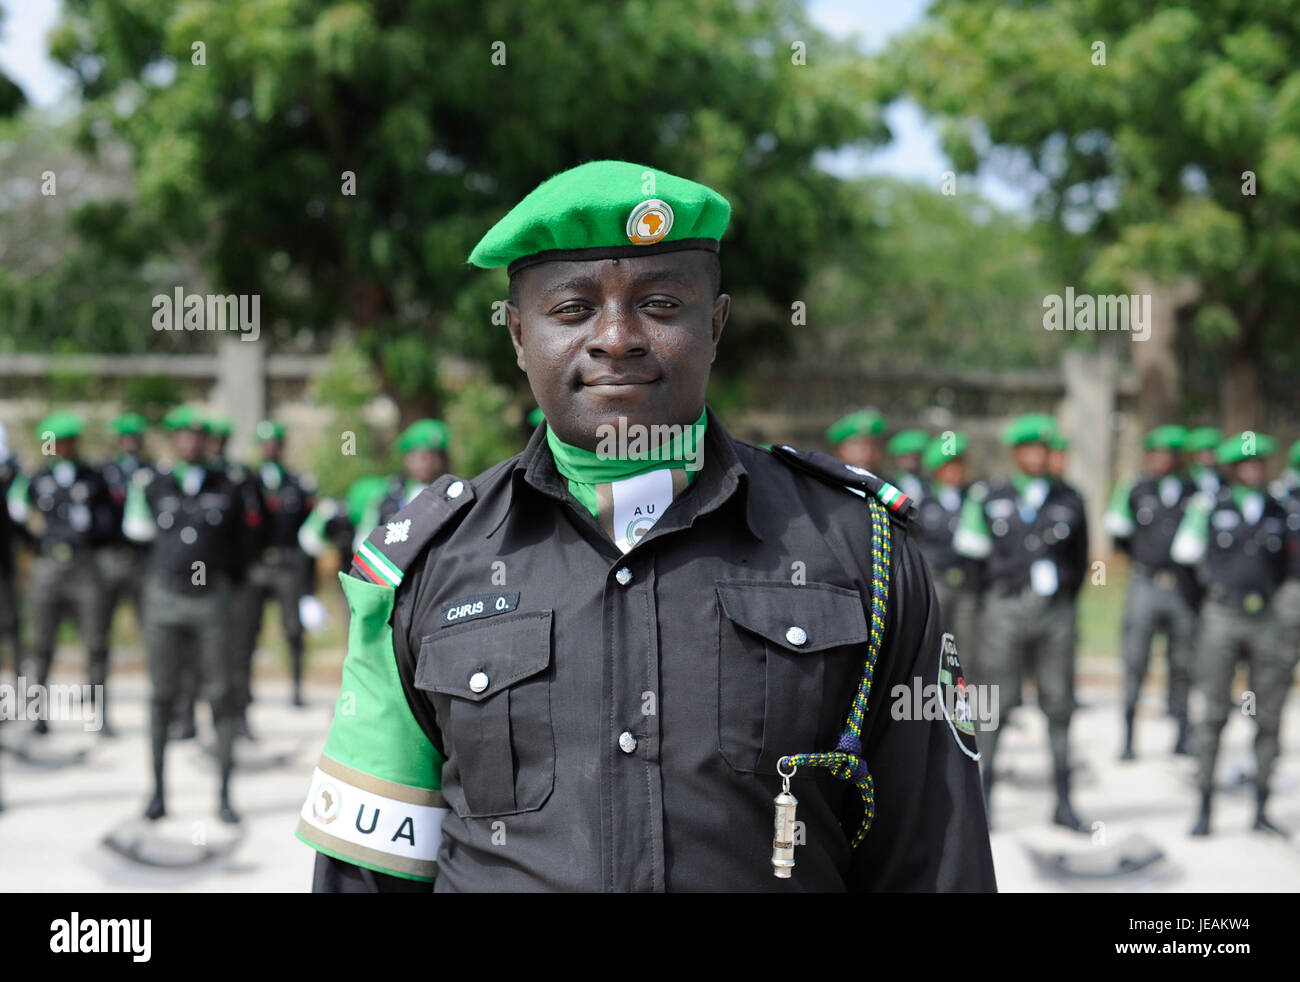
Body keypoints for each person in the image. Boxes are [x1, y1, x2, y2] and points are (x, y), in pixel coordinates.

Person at [296, 159, 994, 892]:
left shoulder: (860, 546)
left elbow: (935, 860)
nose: (616, 338)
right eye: (572, 310)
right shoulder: (428, 564)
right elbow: (367, 873)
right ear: (518, 335)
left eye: (660, 304)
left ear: (714, 325)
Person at [955, 412, 1089, 831]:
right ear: (1016, 452)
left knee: (1059, 704)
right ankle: (983, 801)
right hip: (1004, 610)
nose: (1037, 455)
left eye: (1043, 448)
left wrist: (1061, 601)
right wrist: (993, 604)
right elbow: (972, 559)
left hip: (1054, 612)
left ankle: (1063, 802)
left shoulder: (1070, 498)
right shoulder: (988, 496)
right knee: (994, 705)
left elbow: (1080, 561)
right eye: (1029, 448)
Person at [124, 405, 255, 823]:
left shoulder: (229, 485)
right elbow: (137, 535)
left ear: (206, 441)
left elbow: (242, 547)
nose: (189, 442)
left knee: (221, 694)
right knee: (161, 695)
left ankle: (224, 795)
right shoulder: (152, 484)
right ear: (172, 440)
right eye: (181, 435)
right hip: (165, 598)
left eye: (196, 435)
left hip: (211, 600)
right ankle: (158, 793)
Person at [1172, 431, 1295, 836]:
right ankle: (1205, 806)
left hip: (1267, 619)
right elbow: (1184, 559)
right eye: (1246, 463)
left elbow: (1290, 567)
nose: (1254, 469)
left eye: (1259, 462)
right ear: (1234, 468)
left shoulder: (1280, 509)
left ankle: (1261, 805)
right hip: (1222, 616)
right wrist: (1205, 607)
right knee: (1212, 715)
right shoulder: (1210, 506)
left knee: (1268, 714)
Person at [9, 412, 116, 735]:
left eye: (68, 441)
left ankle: (97, 713)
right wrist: (36, 543)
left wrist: (90, 533)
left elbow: (109, 521)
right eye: (56, 442)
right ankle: (37, 715)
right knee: (41, 644)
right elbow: (16, 514)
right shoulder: (38, 477)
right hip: (49, 565)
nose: (62, 447)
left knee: (96, 642)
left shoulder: (93, 477)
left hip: (84, 565)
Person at [1105, 425, 1198, 759]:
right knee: (1135, 662)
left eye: (1168, 453)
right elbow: (1119, 534)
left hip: (1181, 588)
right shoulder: (1136, 489)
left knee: (1183, 663)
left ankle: (1183, 734)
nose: (1161, 459)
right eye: (1156, 452)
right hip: (1145, 583)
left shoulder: (1195, 490)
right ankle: (1128, 739)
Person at [235, 419, 317, 717]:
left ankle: (296, 688)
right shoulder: (247, 482)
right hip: (257, 564)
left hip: (287, 563)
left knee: (293, 629)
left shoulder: (297, 483)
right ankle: (245, 690)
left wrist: (309, 583)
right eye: (265, 443)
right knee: (248, 630)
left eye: (275, 443)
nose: (270, 448)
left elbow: (309, 530)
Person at [914, 430, 981, 675]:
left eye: (959, 464)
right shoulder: (923, 502)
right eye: (949, 465)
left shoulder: (975, 497)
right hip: (936, 581)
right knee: (933, 643)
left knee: (967, 646)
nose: (956, 471)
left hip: (967, 582)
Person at [97, 413, 152, 675]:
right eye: (126, 438)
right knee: (99, 627)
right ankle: (97, 689)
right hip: (111, 553)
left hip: (142, 556)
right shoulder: (105, 472)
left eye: (134, 438)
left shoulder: (150, 470)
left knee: (150, 624)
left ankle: (160, 688)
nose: (130, 442)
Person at [357, 419, 451, 536]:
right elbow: (366, 535)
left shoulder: (453, 491)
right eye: (418, 457)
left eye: (432, 455)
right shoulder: (391, 493)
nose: (425, 463)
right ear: (406, 459)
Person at [0, 421, 26, 680]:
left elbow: (19, 514)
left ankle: (19, 681)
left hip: (4, 559)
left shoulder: (11, 472)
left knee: (11, 621)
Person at [827, 410, 887, 475]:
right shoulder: (825, 479)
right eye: (856, 444)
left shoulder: (888, 480)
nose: (868, 452)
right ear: (839, 450)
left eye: (873, 444)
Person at [886, 429, 929, 503]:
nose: (911, 463)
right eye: (906, 458)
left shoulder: (928, 484)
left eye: (915, 458)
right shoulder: (888, 483)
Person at [1185, 427, 1222, 498]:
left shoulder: (1223, 479)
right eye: (1203, 452)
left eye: (1211, 451)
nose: (1209, 456)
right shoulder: (1187, 479)